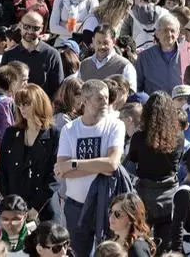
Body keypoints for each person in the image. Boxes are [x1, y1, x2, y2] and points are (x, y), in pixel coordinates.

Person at [55, 79, 126, 257]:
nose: (105, 103)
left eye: (107, 98)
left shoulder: (115, 125)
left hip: (107, 205)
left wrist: (74, 164)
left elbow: (111, 164)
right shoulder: (70, 129)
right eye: (99, 99)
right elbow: (62, 170)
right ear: (84, 101)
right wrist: (97, 165)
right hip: (76, 206)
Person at [126, 92, 185, 252]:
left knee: (140, 245)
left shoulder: (138, 138)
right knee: (165, 247)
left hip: (144, 197)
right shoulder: (179, 137)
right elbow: (177, 164)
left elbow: (130, 166)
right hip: (169, 196)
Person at [0, 84, 60, 222]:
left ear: (39, 103)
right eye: (19, 104)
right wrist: (10, 203)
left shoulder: (55, 134)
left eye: (26, 103)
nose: (22, 108)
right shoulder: (11, 133)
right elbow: (2, 170)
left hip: (45, 208)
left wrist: (36, 207)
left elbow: (55, 175)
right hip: (14, 208)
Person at [2, 12, 64, 99]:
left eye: (35, 28)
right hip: (15, 107)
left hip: (42, 108)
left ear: (41, 29)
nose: (30, 31)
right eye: (26, 26)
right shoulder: (9, 54)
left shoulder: (52, 54)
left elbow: (58, 88)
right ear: (20, 25)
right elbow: (3, 85)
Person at [107, 193, 156, 257]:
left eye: (117, 214)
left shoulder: (137, 247)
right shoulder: (112, 242)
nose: (111, 217)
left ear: (131, 218)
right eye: (111, 212)